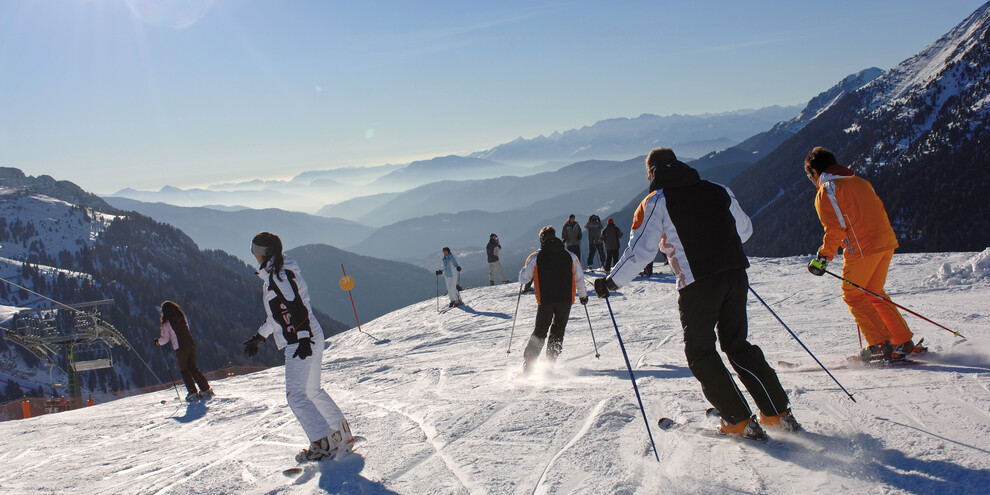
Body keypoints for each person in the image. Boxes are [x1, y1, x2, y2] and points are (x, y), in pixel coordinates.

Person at [594, 148, 798, 440]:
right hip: (735, 273)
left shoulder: (656, 201)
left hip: (698, 283)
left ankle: (738, 419)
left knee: (700, 351)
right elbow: (745, 229)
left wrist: (610, 283)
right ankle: (777, 412)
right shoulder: (718, 189)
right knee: (737, 344)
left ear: (651, 172)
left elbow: (640, 252)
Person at [242, 232, 354, 462]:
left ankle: (322, 443)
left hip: (300, 340)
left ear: (263, 254)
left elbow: (297, 307)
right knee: (312, 391)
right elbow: (279, 313)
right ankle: (341, 434)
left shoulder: (278, 277)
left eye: (255, 250)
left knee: (296, 395)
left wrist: (302, 338)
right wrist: (260, 337)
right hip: (310, 334)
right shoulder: (279, 273)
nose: (253, 254)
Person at [804, 147, 918, 361]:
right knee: (874, 292)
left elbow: (835, 229)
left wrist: (822, 259)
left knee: (853, 293)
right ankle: (901, 339)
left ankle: (878, 344)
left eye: (810, 177)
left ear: (815, 172)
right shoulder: (861, 182)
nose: (812, 181)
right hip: (886, 243)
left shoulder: (827, 190)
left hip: (863, 247)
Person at [517, 226, 588, 374]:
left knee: (540, 330)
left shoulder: (536, 256)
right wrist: (583, 296)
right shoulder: (570, 255)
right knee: (558, 329)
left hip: (546, 300)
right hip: (565, 299)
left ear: (542, 239)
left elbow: (523, 279)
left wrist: (523, 270)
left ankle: (529, 363)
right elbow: (579, 278)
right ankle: (551, 361)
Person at [156, 301, 212, 402]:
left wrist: (158, 342)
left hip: (180, 348)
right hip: (191, 344)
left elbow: (165, 339)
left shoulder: (167, 323)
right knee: (193, 368)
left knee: (184, 370)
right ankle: (205, 389)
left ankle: (192, 392)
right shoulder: (181, 317)